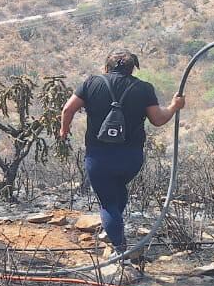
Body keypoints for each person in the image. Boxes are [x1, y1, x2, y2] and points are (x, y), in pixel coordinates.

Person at [59, 49, 185, 260]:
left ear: (106, 67)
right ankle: (113, 232)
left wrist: (64, 131)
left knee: (108, 202)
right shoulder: (143, 88)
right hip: (131, 159)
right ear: (133, 68)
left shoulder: (91, 83)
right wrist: (174, 106)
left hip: (99, 157)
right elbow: (158, 119)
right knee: (119, 192)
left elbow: (68, 110)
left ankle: (119, 251)